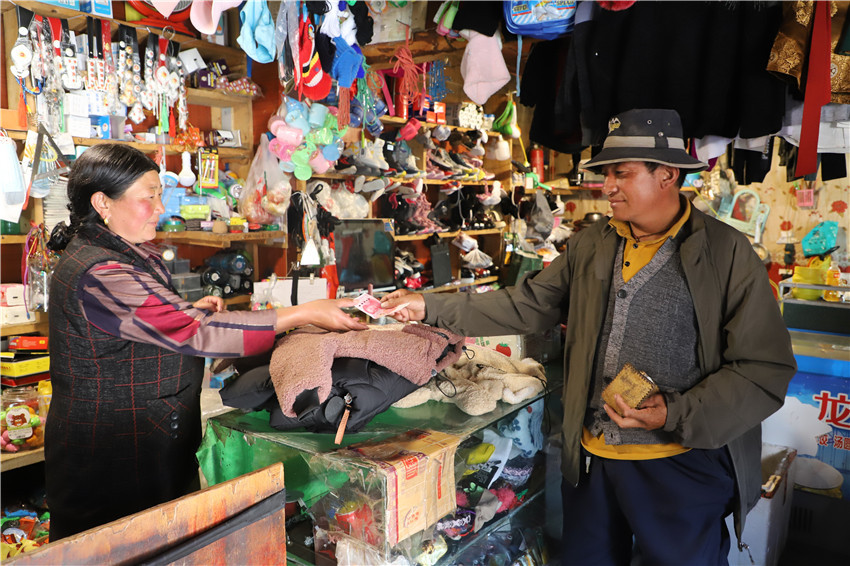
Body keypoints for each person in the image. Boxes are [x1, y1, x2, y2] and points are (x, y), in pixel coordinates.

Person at [381, 109, 797, 565]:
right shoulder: (593, 243)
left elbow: (764, 368)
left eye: (622, 173)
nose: (607, 186)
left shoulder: (724, 251)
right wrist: (431, 307)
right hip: (592, 462)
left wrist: (676, 412)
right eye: (606, 173)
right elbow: (529, 303)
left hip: (681, 466)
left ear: (667, 175)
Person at [45, 143, 367, 540]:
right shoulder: (100, 270)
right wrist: (305, 313)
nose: (160, 208)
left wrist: (186, 310)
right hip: (114, 463)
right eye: (149, 197)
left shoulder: (117, 253)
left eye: (160, 195)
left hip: (146, 444)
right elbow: (197, 331)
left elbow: (148, 322)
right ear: (103, 203)